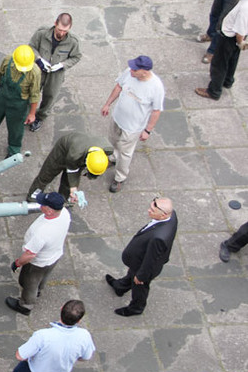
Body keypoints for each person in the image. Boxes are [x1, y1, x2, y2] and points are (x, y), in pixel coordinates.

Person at [100, 55, 164, 193]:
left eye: (135, 69)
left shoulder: (156, 87)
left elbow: (156, 110)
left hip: (133, 127)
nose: (131, 71)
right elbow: (118, 87)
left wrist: (148, 130)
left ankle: (120, 177)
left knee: (125, 153)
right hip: (117, 118)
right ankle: (114, 157)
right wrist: (107, 104)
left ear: (144, 72)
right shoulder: (129, 72)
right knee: (113, 140)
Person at [106, 196, 177, 317]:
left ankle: (136, 308)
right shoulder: (171, 215)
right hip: (138, 260)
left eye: (153, 210)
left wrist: (141, 276)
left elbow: (151, 260)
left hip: (144, 268)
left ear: (163, 215)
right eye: (151, 207)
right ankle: (120, 287)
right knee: (131, 274)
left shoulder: (158, 238)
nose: (149, 211)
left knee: (139, 287)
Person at [5, 193, 71, 316]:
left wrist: (17, 263)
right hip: (54, 255)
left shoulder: (42, 232)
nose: (40, 205)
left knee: (29, 282)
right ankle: (39, 290)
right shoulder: (65, 213)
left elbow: (30, 255)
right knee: (44, 276)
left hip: (38, 263)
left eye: (43, 205)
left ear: (50, 211)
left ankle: (25, 305)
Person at [26, 13, 83, 132]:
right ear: (55, 23)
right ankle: (27, 112)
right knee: (31, 91)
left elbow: (76, 57)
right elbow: (31, 47)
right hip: (38, 71)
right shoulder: (42, 33)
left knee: (50, 97)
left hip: (56, 75)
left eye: (65, 31)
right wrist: (39, 59)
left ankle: (39, 117)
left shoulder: (73, 42)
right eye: (60, 29)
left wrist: (62, 65)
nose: (62, 33)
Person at [195, 0, 248, 100]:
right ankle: (228, 80)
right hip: (234, 39)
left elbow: (240, 31)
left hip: (229, 38)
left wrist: (240, 42)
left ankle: (214, 91)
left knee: (219, 64)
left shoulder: (245, 8)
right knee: (232, 59)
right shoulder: (243, 0)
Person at [26, 132, 112, 203]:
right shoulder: (75, 155)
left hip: (82, 155)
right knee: (46, 175)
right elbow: (72, 171)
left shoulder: (106, 150)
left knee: (67, 183)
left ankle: (63, 201)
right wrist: (74, 189)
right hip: (62, 152)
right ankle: (33, 197)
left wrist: (72, 189)